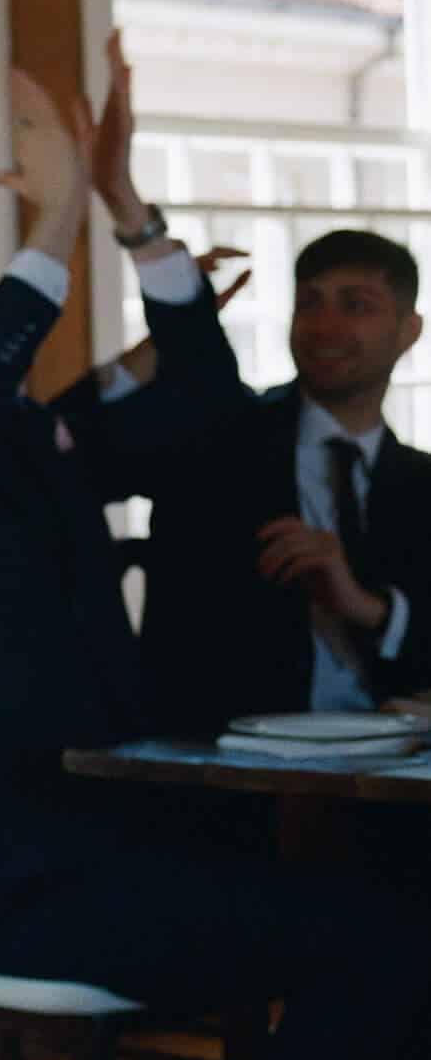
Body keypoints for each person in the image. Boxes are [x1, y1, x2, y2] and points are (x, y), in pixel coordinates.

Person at [0, 54, 431, 1060]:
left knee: (388, 938)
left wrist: (122, 206)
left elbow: (161, 383)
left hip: (92, 843)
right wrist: (67, 207)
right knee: (380, 948)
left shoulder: (30, 449)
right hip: (23, 873)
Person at [137, 224, 431, 736]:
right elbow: (193, 367)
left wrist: (365, 607)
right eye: (309, 303)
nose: (324, 326)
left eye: (355, 306)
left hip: (391, 778)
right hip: (230, 771)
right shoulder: (221, 441)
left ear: (408, 331)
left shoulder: (422, 485)